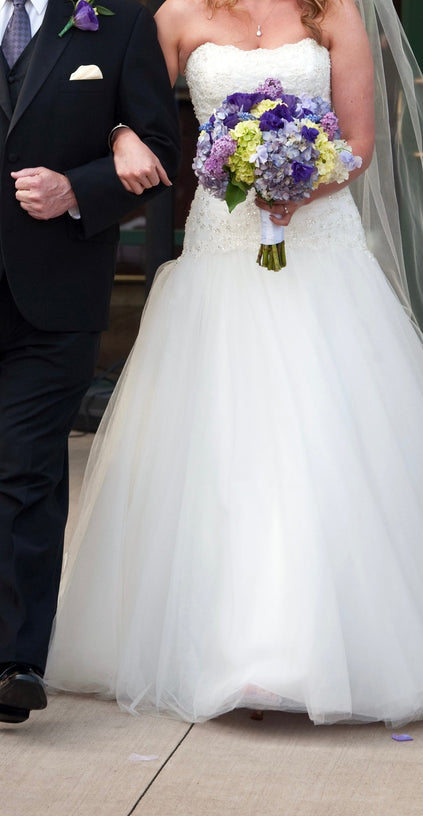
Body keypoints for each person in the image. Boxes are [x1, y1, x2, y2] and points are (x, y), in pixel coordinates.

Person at [46, 0, 423, 726]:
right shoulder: (177, 14)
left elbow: (360, 143)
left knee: (324, 442)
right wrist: (122, 135)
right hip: (221, 250)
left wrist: (294, 185)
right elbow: (129, 107)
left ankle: (311, 651)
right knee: (227, 448)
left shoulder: (335, 12)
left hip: (319, 248)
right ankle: (237, 648)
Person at [0, 0, 181, 725]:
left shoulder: (120, 21)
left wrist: (80, 189)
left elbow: (162, 149)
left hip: (56, 298)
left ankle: (15, 662)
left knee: (26, 465)